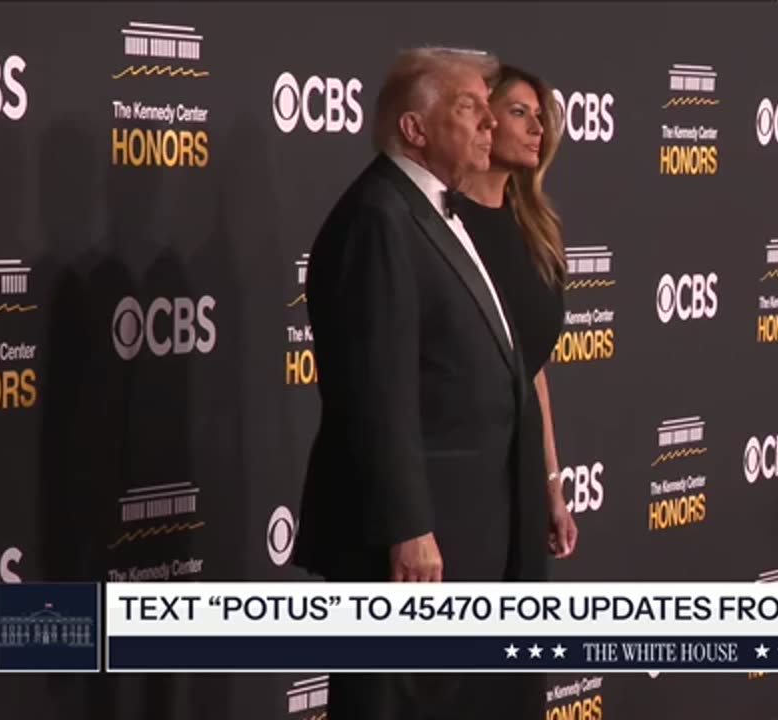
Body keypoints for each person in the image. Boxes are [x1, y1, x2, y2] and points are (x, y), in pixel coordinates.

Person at [291, 46, 545, 720]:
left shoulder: (429, 210)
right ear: (414, 128)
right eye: (469, 108)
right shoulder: (380, 215)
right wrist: (408, 527)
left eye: (489, 108)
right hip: (409, 544)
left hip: (465, 528)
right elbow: (376, 390)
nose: (489, 122)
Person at [454, 64, 579, 565]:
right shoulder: (441, 225)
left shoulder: (535, 229)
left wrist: (552, 486)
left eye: (540, 117)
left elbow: (530, 368)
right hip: (461, 466)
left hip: (522, 462)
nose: (536, 128)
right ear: (485, 120)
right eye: (520, 112)